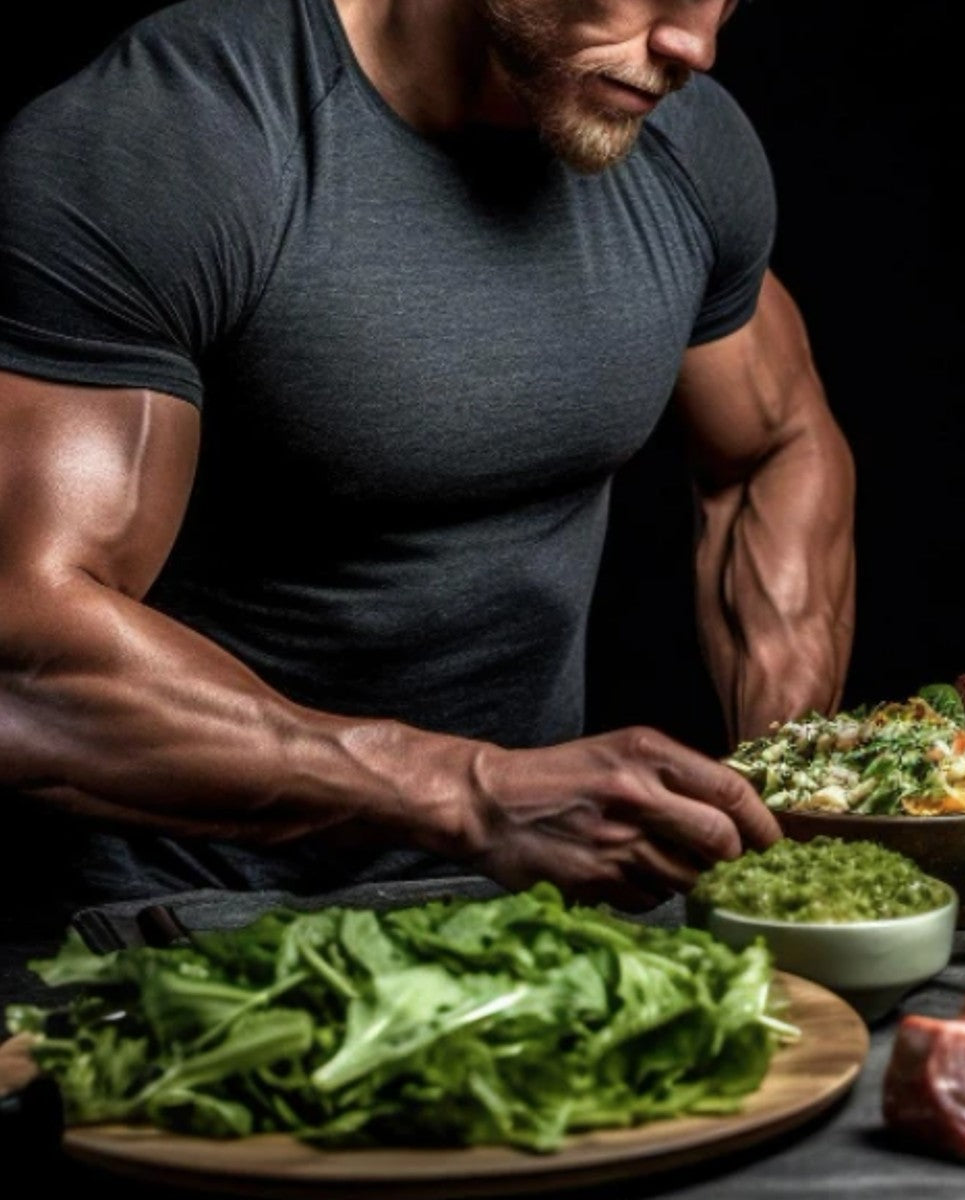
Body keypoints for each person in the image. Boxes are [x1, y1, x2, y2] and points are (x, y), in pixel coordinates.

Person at [0, 0, 855, 914]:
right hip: (171, 920)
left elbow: (774, 446)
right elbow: (23, 645)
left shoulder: (682, 148)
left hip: (530, 915)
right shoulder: (180, 133)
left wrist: (791, 783)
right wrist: (466, 791)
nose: (696, 44)